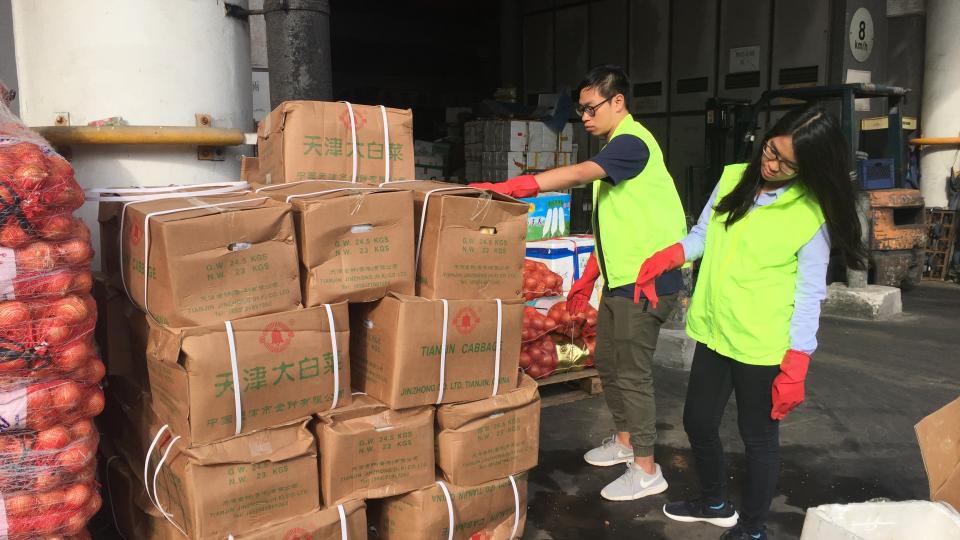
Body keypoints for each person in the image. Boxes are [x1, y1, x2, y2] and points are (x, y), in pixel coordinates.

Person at [634, 107, 867, 539]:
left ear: (809, 168)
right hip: (715, 330)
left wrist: (797, 361)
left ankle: (755, 528)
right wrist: (668, 256)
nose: (771, 163)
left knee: (757, 438)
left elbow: (809, 292)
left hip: (763, 343)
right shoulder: (733, 177)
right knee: (699, 422)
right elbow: (704, 233)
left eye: (785, 162)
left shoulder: (809, 213)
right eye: (771, 149)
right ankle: (714, 501)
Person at [471, 65, 688, 501]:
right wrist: (588, 276)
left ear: (618, 102)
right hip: (621, 279)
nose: (585, 118)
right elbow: (619, 225)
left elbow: (576, 173)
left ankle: (646, 468)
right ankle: (625, 441)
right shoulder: (617, 148)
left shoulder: (632, 144)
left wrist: (519, 186)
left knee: (631, 374)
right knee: (607, 361)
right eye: (581, 110)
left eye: (591, 108)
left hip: (645, 285)